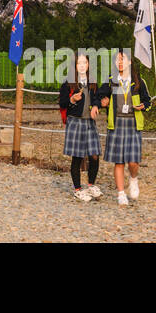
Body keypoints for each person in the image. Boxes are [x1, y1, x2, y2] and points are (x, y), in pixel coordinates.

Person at [100, 51, 152, 206]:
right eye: (117, 60)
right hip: (116, 124)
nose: (120, 62)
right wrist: (101, 102)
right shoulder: (110, 80)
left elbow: (148, 102)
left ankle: (134, 179)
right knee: (119, 162)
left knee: (133, 162)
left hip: (133, 124)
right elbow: (100, 96)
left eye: (123, 59)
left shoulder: (138, 81)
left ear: (129, 62)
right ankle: (121, 193)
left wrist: (143, 106)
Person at [59, 52, 102, 202]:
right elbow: (62, 102)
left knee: (95, 155)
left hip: (90, 122)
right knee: (77, 157)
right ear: (75, 66)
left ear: (88, 65)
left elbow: (97, 98)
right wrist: (71, 99)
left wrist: (96, 106)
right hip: (75, 122)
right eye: (79, 63)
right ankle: (77, 189)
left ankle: (90, 185)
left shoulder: (93, 82)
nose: (82, 66)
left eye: (84, 63)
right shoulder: (68, 83)